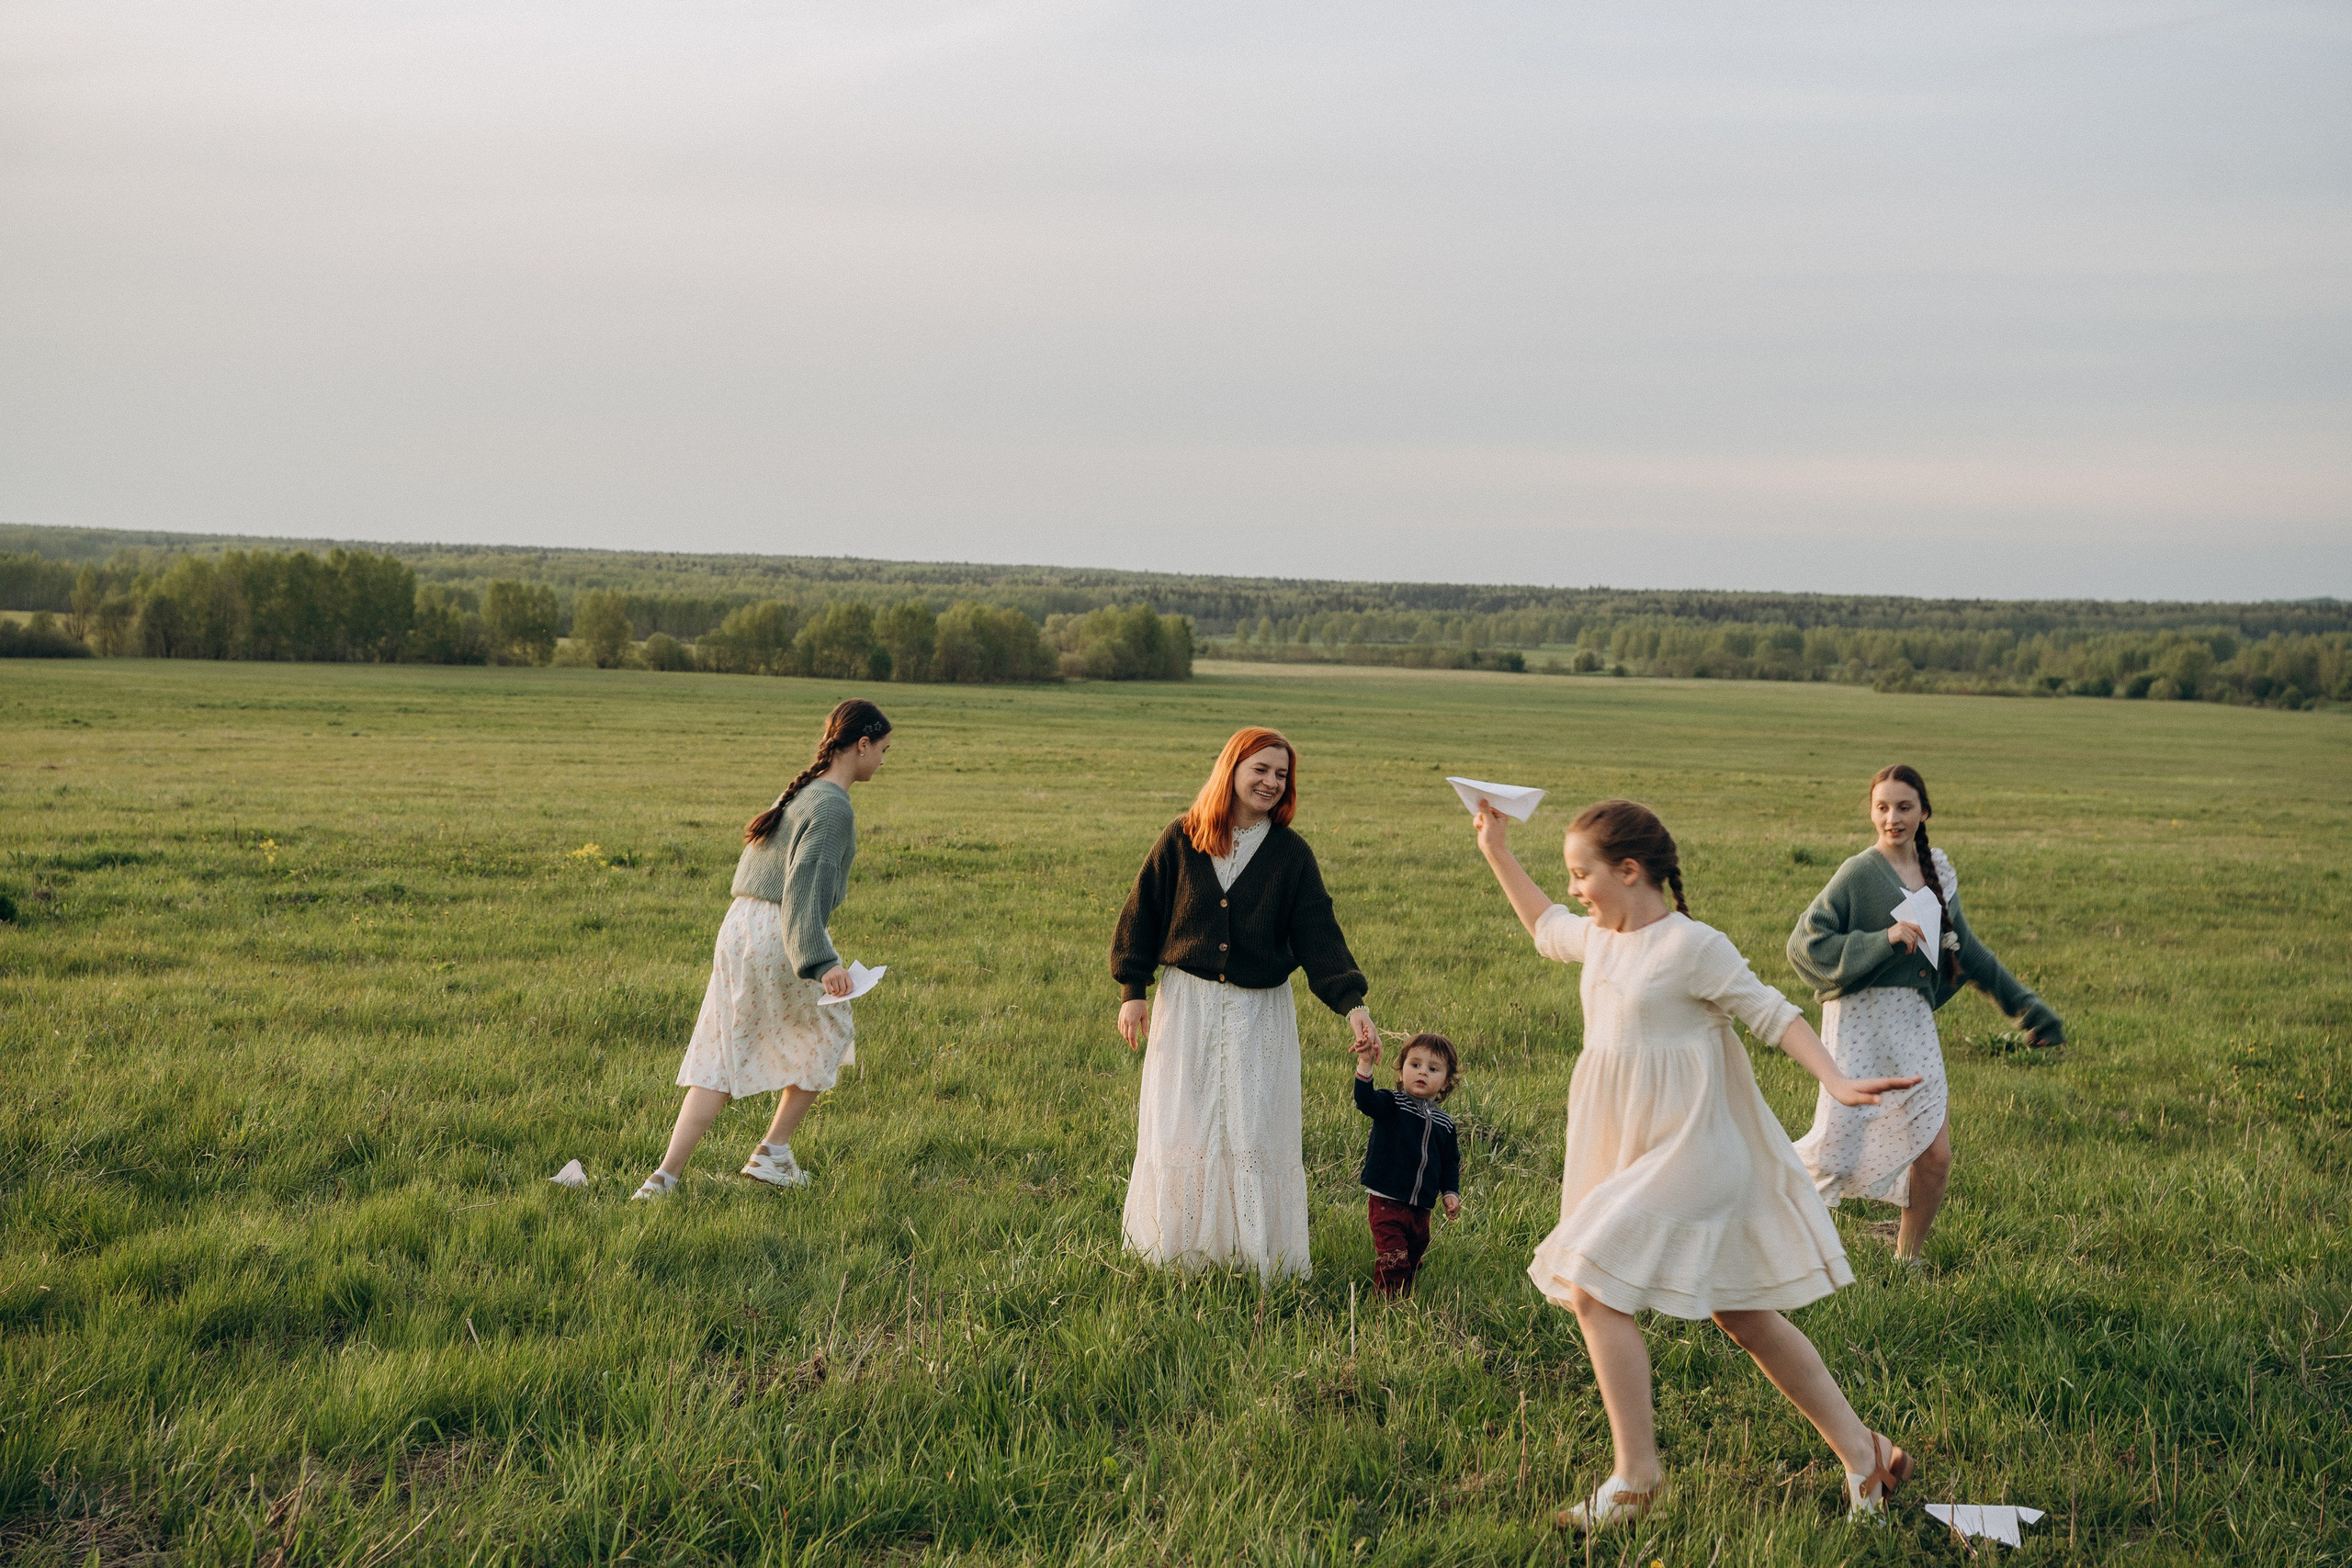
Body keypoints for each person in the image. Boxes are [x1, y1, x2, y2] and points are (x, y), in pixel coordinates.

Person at [1473, 795, 1918, 1530]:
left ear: (1630, 869)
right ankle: (1866, 1452)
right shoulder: (1600, 938)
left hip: (1700, 1149)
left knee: (1590, 1280)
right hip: (1638, 1145)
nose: (1576, 890)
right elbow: (1544, 925)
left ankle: (1637, 1476)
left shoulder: (1692, 945)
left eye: (1583, 875)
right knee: (1741, 1311)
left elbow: (1772, 1012)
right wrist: (1495, 848)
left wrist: (1836, 1079)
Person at [1111, 726, 1380, 1280]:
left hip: (1259, 1014)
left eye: (1282, 774)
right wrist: (1132, 991)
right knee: (1183, 1125)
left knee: (1253, 1128)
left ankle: (1256, 1259)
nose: (1271, 782)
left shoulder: (1290, 854)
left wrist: (1353, 1003)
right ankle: (1177, 1253)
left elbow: (1319, 934)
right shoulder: (1182, 838)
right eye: (1261, 769)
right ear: (1231, 769)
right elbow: (1142, 914)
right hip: (1187, 1008)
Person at [1786, 763, 2064, 1263]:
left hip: (1913, 1026)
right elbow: (1805, 945)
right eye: (1882, 807)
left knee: (1935, 1155)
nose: (1892, 817)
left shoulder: (1938, 875)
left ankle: (1906, 1260)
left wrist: (2028, 1010)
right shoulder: (1857, 874)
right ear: (1872, 812)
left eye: (1904, 807)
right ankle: (1785, 1247)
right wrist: (1882, 940)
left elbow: (1969, 954)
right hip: (1859, 1024)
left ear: (1924, 812)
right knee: (1836, 1151)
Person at [632, 699, 892, 1201]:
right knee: (831, 1031)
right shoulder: (833, 805)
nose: (883, 761)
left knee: (721, 1052)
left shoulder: (802, 792)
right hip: (781, 929)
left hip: (739, 927)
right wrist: (822, 962)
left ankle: (663, 1179)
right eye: (882, 750)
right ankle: (773, 1153)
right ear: (860, 745)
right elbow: (802, 891)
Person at [1351, 1031, 1463, 1298]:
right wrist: (1365, 1063)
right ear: (1401, 1073)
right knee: (1393, 1257)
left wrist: (1450, 1193)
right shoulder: (1392, 1104)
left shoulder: (1445, 1124)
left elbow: (1450, 1162)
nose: (1422, 1072)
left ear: (1446, 1083)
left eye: (1433, 1068)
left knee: (1412, 1256)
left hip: (1421, 1208)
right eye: (1415, 1065)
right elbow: (1365, 1100)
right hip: (1387, 1200)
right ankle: (1387, 1305)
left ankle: (1405, 1290)